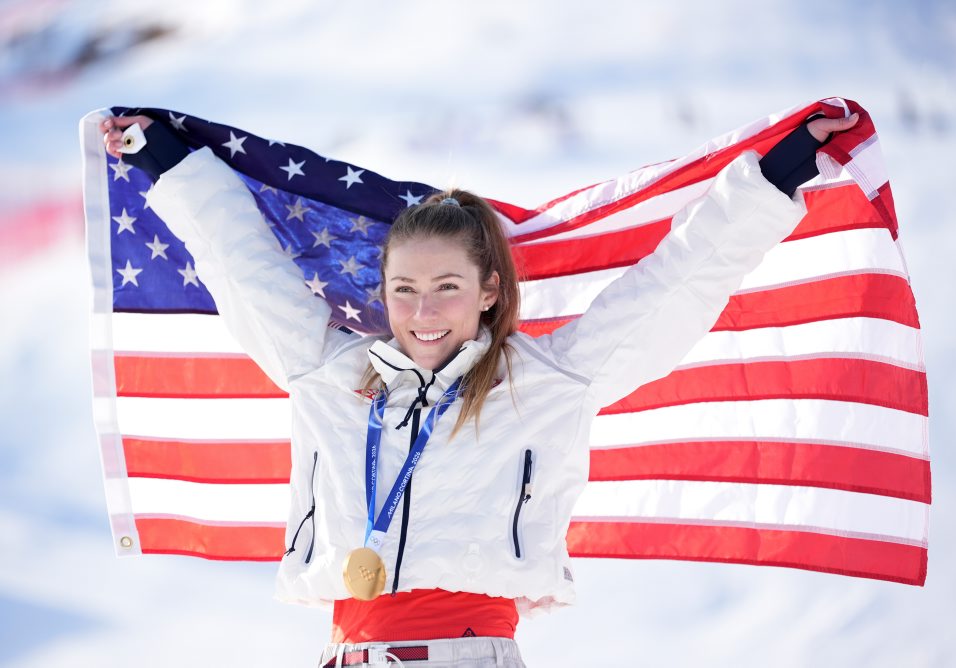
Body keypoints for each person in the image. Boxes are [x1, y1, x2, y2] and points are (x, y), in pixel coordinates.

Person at [102, 108, 858, 667]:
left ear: (489, 289)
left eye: (445, 287)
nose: (422, 312)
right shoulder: (327, 375)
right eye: (403, 289)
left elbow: (675, 284)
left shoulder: (550, 381)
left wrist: (777, 175)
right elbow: (246, 269)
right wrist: (165, 159)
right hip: (345, 653)